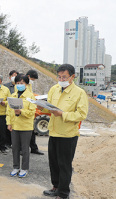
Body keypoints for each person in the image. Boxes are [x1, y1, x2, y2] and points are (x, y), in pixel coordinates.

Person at [40, 64, 88, 199]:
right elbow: (49, 107)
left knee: (64, 165)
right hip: (54, 132)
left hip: (68, 135)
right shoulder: (54, 89)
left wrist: (63, 114)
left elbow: (81, 115)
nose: (61, 79)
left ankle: (63, 193)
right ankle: (55, 187)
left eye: (64, 77)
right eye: (59, 77)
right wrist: (41, 106)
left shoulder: (79, 93)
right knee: (54, 163)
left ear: (72, 77)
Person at [6, 74, 36, 178]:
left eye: (22, 83)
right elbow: (9, 111)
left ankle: (24, 168)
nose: (19, 85)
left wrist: (21, 111)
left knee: (25, 149)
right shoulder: (13, 96)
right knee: (14, 148)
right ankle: (16, 167)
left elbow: (32, 112)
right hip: (15, 126)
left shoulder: (31, 97)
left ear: (26, 84)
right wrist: (9, 123)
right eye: (18, 83)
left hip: (26, 127)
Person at [26, 69, 44, 155]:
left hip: (30, 110)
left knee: (31, 131)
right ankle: (23, 150)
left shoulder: (29, 85)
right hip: (24, 111)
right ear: (28, 76)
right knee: (24, 133)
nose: (33, 81)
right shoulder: (22, 84)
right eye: (33, 79)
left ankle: (34, 148)